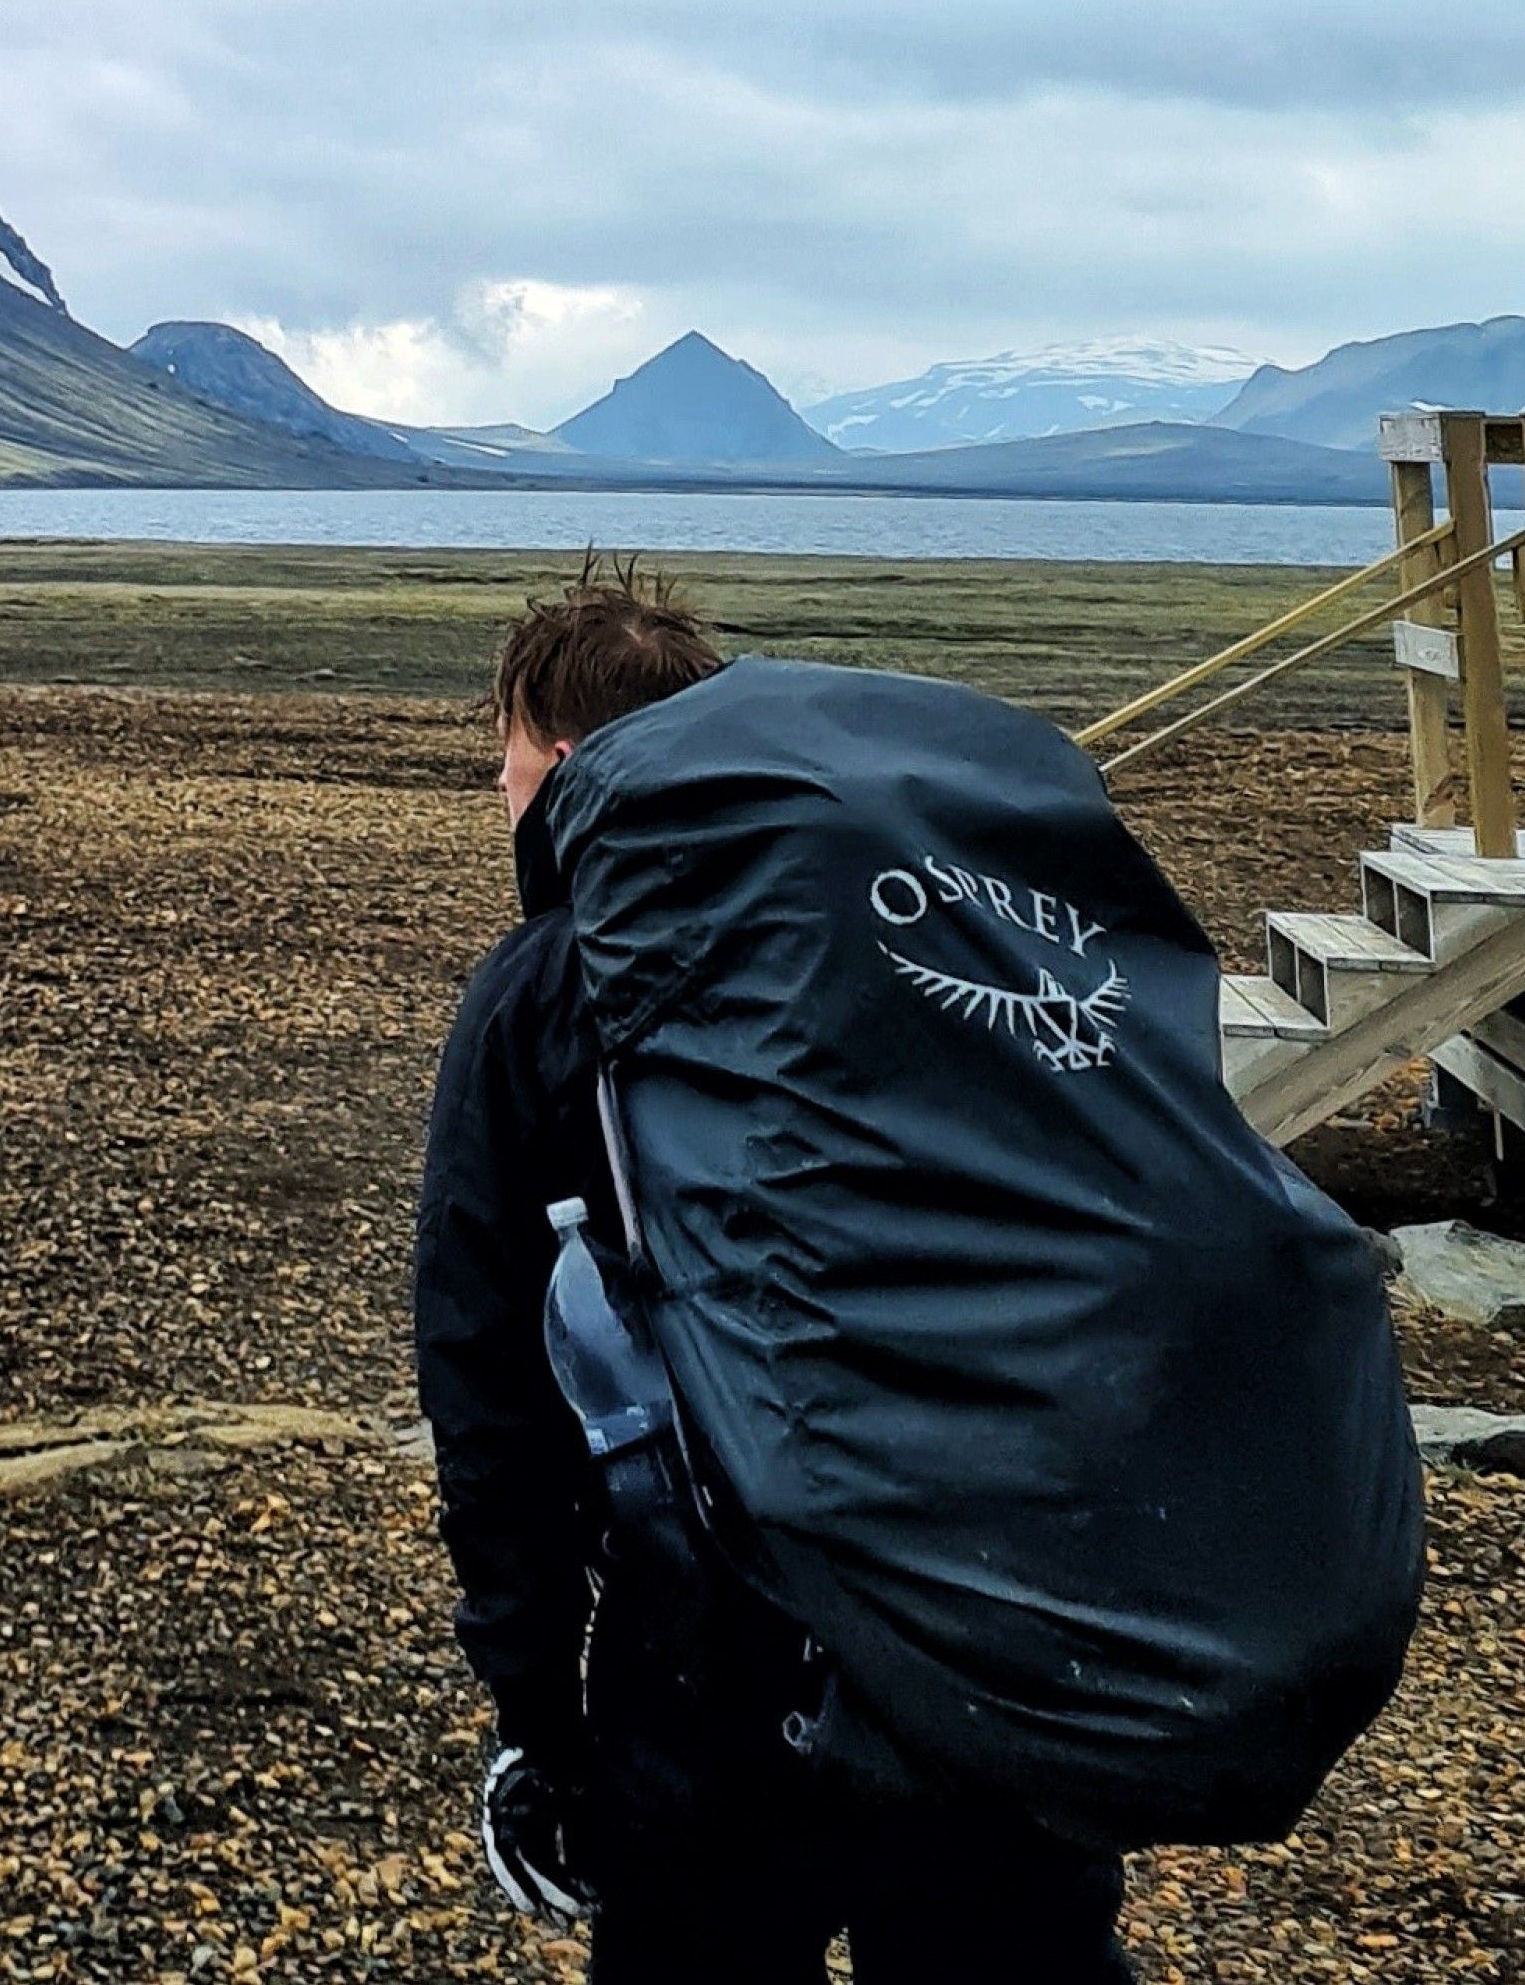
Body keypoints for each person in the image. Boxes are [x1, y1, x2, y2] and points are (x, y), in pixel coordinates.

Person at [413, 573, 1134, 1984]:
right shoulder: (932, 938)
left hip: (716, 1657)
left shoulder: (539, 992)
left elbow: (488, 1378)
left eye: (501, 755)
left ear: (562, 767)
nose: (494, 788)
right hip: (995, 1617)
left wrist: (533, 1719)